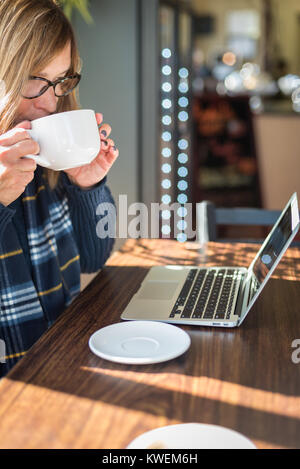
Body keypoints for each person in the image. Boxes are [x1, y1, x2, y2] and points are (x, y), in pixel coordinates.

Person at [0, 0, 118, 376]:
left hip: (66, 367)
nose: (51, 101)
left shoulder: (46, 167)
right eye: (35, 78)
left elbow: (93, 258)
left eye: (60, 79)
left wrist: (88, 184)